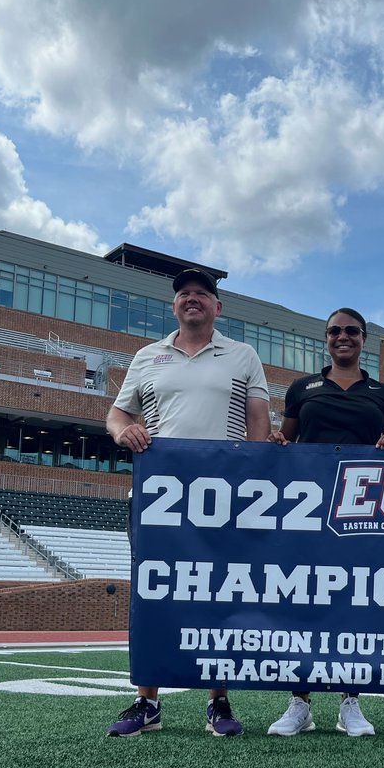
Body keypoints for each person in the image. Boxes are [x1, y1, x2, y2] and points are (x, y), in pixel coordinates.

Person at [105, 268, 271, 738]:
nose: (192, 299)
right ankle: (147, 702)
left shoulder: (242, 355)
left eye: (202, 293)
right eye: (184, 294)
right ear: (174, 305)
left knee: (219, 592)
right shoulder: (148, 356)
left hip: (224, 497)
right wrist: (124, 430)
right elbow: (117, 414)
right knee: (153, 593)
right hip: (159, 497)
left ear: (218, 307)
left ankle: (218, 701)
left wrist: (251, 482)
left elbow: (258, 422)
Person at [267, 307, 384, 738]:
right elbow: (287, 440)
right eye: (334, 331)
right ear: (325, 339)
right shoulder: (302, 387)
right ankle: (300, 702)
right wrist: (277, 442)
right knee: (303, 600)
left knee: (353, 602)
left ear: (364, 339)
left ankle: (350, 701)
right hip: (308, 511)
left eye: (351, 331)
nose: (342, 337)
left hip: (360, 513)